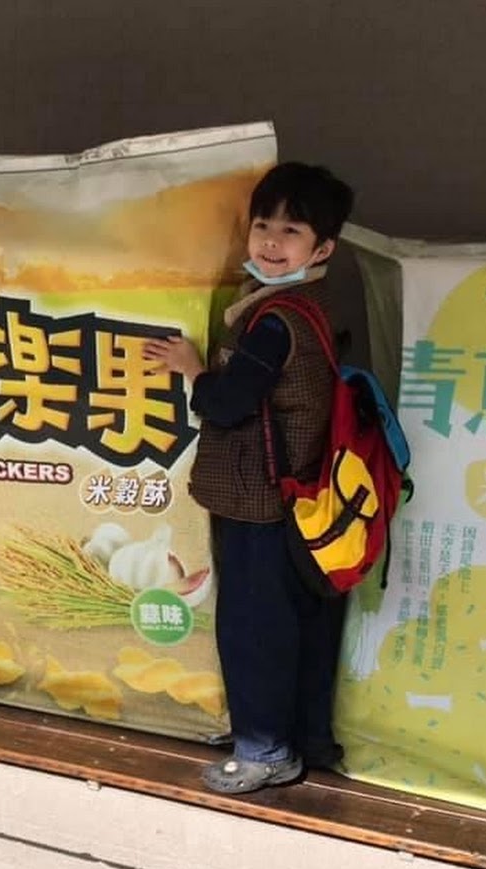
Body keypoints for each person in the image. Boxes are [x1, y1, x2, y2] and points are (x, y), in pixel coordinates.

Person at [144, 162, 355, 794]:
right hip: (301, 499)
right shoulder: (312, 306)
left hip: (257, 502)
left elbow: (229, 403)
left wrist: (192, 368)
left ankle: (264, 751)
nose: (270, 241)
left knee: (253, 628)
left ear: (322, 248)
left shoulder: (274, 320)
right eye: (263, 225)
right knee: (301, 623)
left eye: (291, 231)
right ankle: (308, 741)